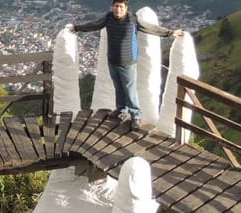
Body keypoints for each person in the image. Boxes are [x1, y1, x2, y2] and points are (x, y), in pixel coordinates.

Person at [69, 0, 183, 130]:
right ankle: (121, 109)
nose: (118, 9)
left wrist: (170, 33)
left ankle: (136, 115)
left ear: (126, 8)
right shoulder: (108, 18)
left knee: (130, 90)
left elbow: (150, 28)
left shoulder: (132, 20)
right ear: (112, 7)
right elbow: (94, 25)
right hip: (113, 60)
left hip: (128, 63)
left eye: (121, 7)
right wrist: (77, 28)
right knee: (118, 87)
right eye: (116, 6)